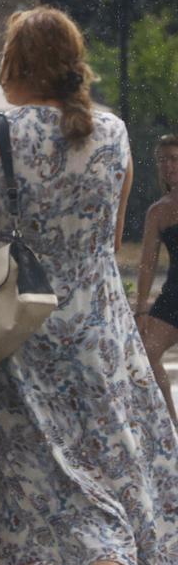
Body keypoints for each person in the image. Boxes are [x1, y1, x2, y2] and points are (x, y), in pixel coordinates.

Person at [0, 6, 178, 565]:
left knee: (6, 477)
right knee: (100, 473)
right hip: (99, 334)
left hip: (16, 329)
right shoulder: (116, 133)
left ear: (14, 67)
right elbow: (110, 234)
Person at [134, 133, 178, 420]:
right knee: (146, 355)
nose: (168, 165)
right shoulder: (158, 212)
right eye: (162, 160)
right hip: (174, 296)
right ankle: (173, 425)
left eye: (173, 158)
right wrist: (141, 309)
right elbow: (147, 264)